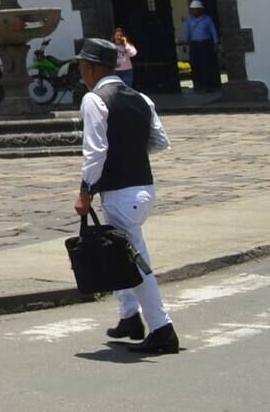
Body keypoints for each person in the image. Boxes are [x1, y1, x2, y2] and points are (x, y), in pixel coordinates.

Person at [73, 36, 176, 354]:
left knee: (135, 263)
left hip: (119, 193)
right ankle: (129, 317)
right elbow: (160, 141)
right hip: (144, 188)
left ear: (91, 67)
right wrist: (131, 149)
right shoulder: (141, 98)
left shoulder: (94, 99)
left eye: (81, 66)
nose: (81, 72)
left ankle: (162, 328)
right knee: (122, 253)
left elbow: (94, 152)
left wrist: (85, 191)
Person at [183, 0, 220, 90]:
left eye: (195, 9)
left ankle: (208, 84)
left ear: (200, 10)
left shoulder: (207, 19)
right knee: (195, 64)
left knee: (206, 64)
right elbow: (187, 32)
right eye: (192, 9)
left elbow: (213, 32)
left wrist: (216, 43)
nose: (193, 11)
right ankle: (198, 84)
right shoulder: (189, 20)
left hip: (205, 43)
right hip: (194, 44)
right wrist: (185, 43)